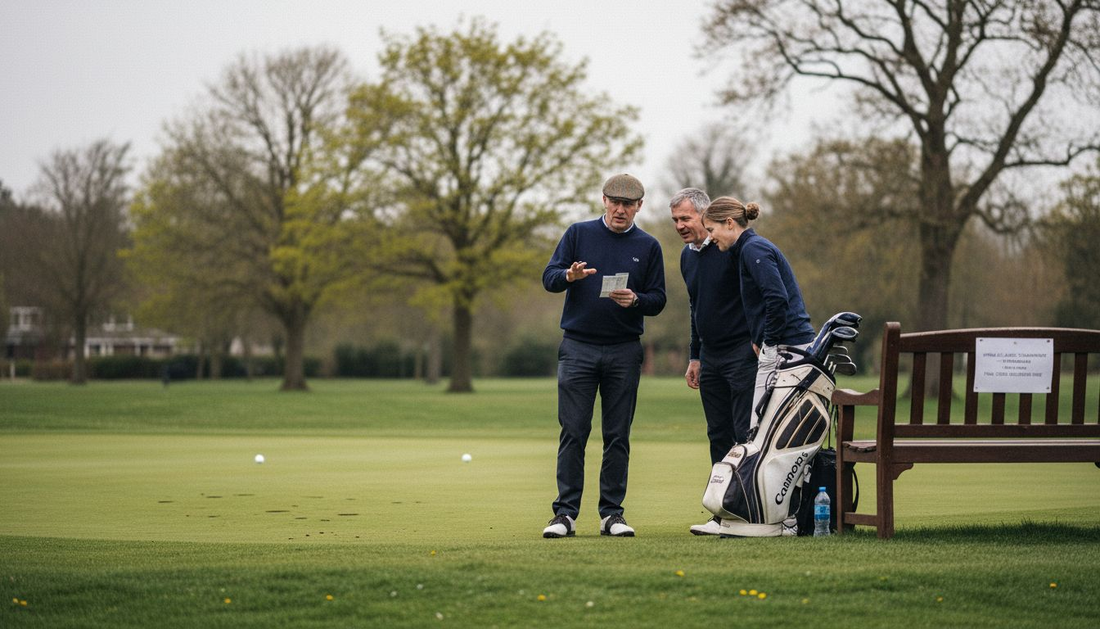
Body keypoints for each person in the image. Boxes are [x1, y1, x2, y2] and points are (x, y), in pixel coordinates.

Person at [540, 173, 667, 538]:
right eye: (615, 201)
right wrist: (570, 275)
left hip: (624, 350)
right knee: (574, 431)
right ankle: (564, 515)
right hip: (578, 347)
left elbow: (658, 299)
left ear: (639, 206)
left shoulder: (648, 246)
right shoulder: (578, 234)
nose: (620, 209)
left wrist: (637, 300)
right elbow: (549, 278)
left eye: (629, 204)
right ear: (603, 200)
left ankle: (612, 515)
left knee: (617, 435)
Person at [669, 188, 756, 536]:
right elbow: (696, 310)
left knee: (743, 434)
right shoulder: (686, 257)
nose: (679, 225)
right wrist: (695, 355)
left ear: (704, 217)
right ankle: (723, 510)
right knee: (717, 434)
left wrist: (757, 339)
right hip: (712, 358)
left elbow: (754, 297)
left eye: (685, 218)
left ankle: (750, 510)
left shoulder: (734, 251)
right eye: (675, 219)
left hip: (742, 354)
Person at [701, 197, 814, 429]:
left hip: (789, 346)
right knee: (768, 424)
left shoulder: (753, 249)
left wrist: (769, 343)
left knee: (762, 425)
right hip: (783, 345)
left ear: (730, 223)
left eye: (711, 229)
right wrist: (759, 338)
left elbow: (777, 299)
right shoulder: (746, 249)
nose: (710, 237)